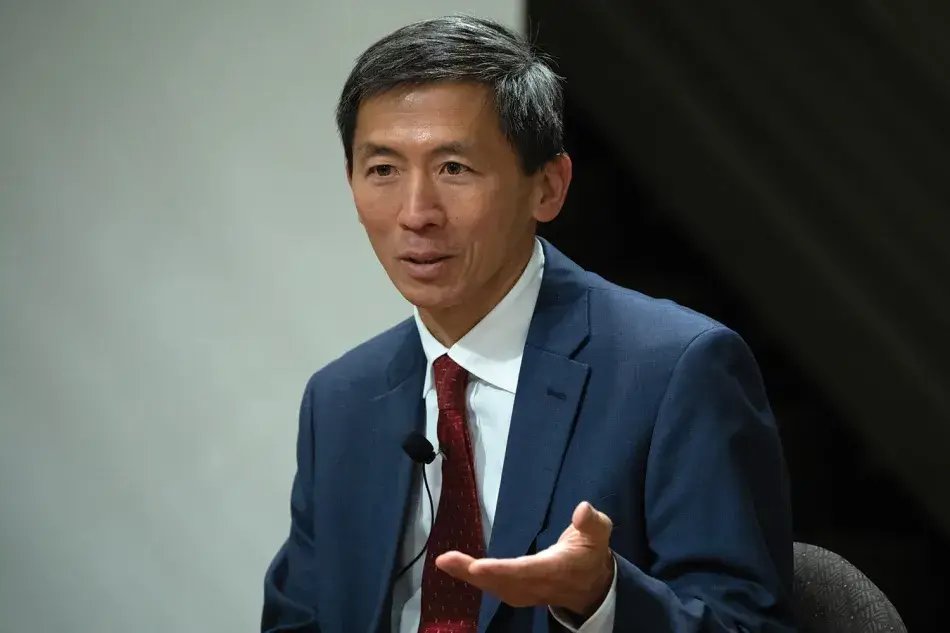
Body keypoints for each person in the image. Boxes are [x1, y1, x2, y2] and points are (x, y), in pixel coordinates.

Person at [261, 14, 797, 633]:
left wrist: (601, 597)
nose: (416, 213)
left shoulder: (677, 369)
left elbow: (747, 625)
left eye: (454, 168)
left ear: (547, 188)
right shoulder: (342, 399)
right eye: (382, 169)